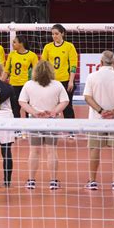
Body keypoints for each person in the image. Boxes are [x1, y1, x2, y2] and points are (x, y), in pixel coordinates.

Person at [83, 51, 114, 191]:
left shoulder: (92, 77)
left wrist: (100, 111)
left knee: (94, 148)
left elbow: (87, 97)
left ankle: (92, 181)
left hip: (96, 120)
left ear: (101, 61)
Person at [19, 60, 69, 190]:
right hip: (52, 122)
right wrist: (53, 112)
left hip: (35, 122)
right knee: (51, 151)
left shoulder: (29, 84)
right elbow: (65, 101)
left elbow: (22, 102)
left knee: (34, 151)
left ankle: (31, 181)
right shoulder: (57, 85)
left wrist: (35, 113)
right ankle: (53, 181)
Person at [41, 24, 78, 131]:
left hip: (65, 81)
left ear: (62, 33)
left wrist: (71, 81)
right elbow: (43, 64)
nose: (54, 36)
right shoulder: (48, 47)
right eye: (52, 34)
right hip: (51, 82)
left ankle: (71, 130)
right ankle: (51, 128)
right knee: (50, 106)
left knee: (67, 106)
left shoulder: (69, 46)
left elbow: (73, 65)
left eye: (56, 34)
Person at [2, 35, 38, 118]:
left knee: (29, 109)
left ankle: (29, 128)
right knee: (15, 109)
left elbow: (36, 72)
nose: (12, 44)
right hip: (13, 86)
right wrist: (1, 83)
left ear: (21, 43)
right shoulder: (11, 55)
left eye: (14, 42)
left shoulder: (32, 56)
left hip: (26, 86)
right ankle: (16, 129)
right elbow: (7, 70)